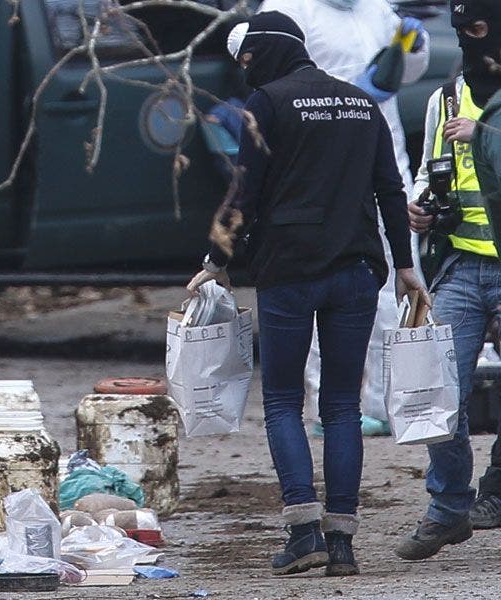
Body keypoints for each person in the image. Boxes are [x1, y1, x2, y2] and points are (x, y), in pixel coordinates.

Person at [187, 12, 427, 577]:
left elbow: (243, 192)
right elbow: (389, 190)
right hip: (356, 268)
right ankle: (342, 543)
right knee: (342, 407)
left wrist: (216, 261)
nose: (246, 71)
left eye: (248, 60)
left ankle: (303, 533)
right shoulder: (360, 103)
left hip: (289, 271)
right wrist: (405, 265)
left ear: (267, 53)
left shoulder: (267, 104)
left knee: (282, 402)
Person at [258, 0, 430, 435]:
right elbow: (270, 73)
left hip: (383, 153)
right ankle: (325, 404)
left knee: (397, 281)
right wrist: (349, 94)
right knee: (322, 283)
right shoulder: (290, 8)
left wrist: (413, 49)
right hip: (320, 169)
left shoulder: (376, 8)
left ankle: (388, 402)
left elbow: (405, 73)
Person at [397, 0, 501, 560]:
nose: (467, 41)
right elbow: (428, 169)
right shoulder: (445, 98)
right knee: (438, 395)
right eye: (459, 30)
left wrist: (484, 132)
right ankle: (449, 506)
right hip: (459, 265)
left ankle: (496, 490)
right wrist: (420, 205)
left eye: (478, 29)